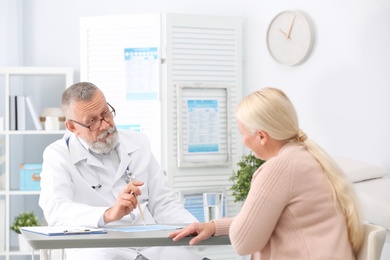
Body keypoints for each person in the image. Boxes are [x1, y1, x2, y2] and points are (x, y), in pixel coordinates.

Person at [169, 87, 364, 260]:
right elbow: (261, 220)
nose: (243, 140)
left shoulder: (279, 168)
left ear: (261, 136)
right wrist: (214, 226)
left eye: (242, 132)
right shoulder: (306, 156)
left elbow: (244, 242)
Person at [39, 82, 203, 260]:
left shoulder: (138, 143)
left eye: (105, 113)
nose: (104, 125)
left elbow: (164, 202)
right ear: (72, 127)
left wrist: (193, 227)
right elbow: (56, 210)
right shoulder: (58, 155)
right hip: (99, 247)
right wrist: (108, 214)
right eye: (92, 121)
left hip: (151, 242)